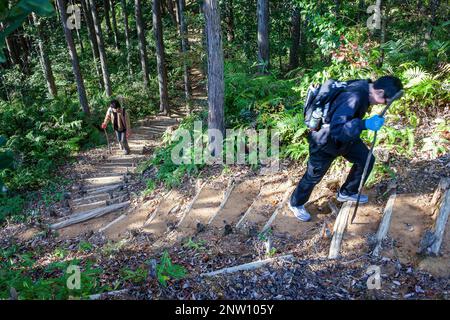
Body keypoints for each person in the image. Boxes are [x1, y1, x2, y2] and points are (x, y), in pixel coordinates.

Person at [289, 76, 403, 222]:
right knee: (313, 176)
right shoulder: (355, 96)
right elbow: (338, 130)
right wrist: (364, 124)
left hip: (345, 138)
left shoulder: (365, 86)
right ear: (380, 92)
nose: (384, 104)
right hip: (324, 141)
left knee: (365, 159)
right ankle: (296, 203)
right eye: (386, 101)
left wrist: (361, 124)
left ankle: (347, 191)